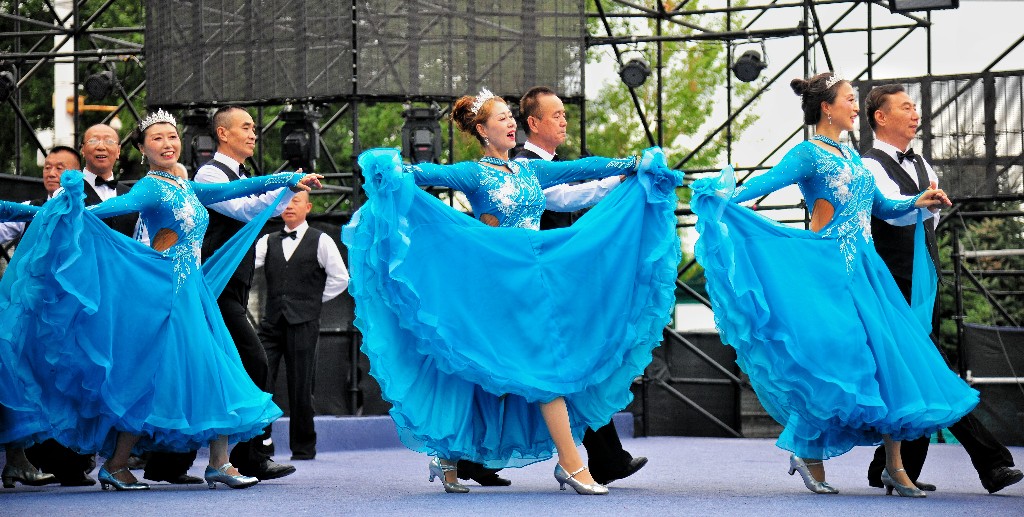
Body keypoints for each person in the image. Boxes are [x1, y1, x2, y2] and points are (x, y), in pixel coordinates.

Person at [343, 89, 683, 495]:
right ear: (483, 131)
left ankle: (450, 457)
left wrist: (630, 164)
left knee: (494, 372)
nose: (510, 124)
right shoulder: (472, 173)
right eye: (502, 118)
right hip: (496, 285)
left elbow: (580, 168)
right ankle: (570, 464)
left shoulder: (529, 170)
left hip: (533, 279)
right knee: (531, 366)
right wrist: (390, 170)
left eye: (510, 117)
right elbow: (421, 175)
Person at [688, 72, 979, 497]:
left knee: (887, 359)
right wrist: (717, 198)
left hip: (867, 269)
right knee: (832, 361)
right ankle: (809, 451)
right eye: (849, 99)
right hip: (829, 269)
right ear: (827, 107)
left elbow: (881, 206)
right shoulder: (808, 154)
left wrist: (916, 201)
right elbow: (759, 188)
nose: (856, 107)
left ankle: (895, 466)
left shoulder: (852, 157)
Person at [0, 109, 322, 491]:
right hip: (165, 295)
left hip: (192, 293)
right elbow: (101, 211)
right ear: (142, 149)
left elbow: (235, 190)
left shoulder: (185, 184)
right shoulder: (150, 187)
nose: (168, 144)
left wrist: (288, 179)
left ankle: (215, 462)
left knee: (210, 369)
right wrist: (49, 211)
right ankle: (120, 464)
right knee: (155, 376)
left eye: (172, 136)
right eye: (157, 138)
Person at [861, 83, 1023, 494]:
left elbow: (928, 225)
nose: (915, 113)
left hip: (924, 282)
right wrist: (921, 201)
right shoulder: (868, 166)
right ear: (881, 116)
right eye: (905, 107)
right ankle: (993, 463)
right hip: (890, 285)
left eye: (915, 107)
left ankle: (891, 467)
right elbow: (891, 213)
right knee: (931, 369)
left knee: (917, 372)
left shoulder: (924, 165)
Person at [192, 105, 298, 481]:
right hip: (215, 286)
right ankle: (249, 454)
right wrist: (285, 185)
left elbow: (262, 210)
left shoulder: (244, 175)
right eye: (247, 127)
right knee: (253, 362)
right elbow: (245, 210)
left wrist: (287, 188)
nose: (254, 134)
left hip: (233, 286)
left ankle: (170, 461)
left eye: (254, 128)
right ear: (223, 133)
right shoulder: (209, 174)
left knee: (212, 367)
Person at [255, 191, 349, 461]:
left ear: (308, 207)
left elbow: (341, 278)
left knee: (301, 385)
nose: (289, 206)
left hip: (304, 323)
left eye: (295, 201)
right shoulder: (267, 241)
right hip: (271, 322)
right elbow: (247, 266)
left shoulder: (322, 240)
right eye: (285, 202)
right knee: (261, 379)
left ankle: (303, 447)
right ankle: (260, 443)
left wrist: (312, 300)